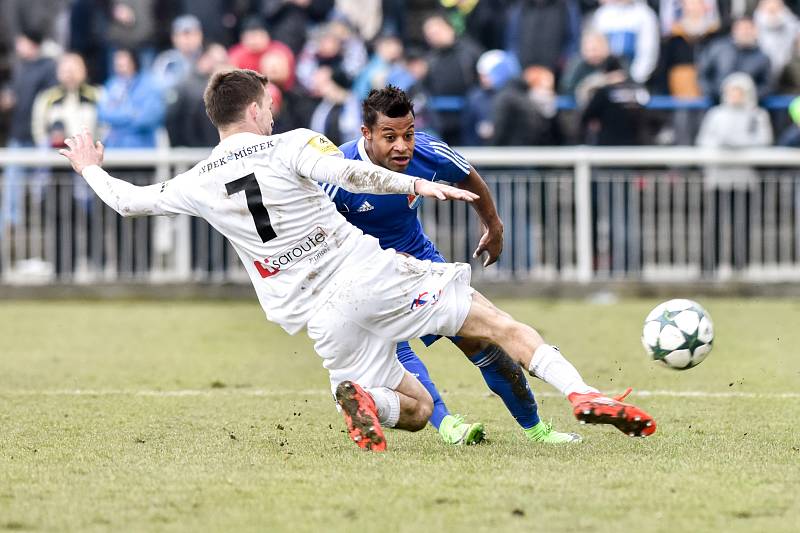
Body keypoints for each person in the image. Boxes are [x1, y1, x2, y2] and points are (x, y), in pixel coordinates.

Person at [59, 69, 657, 452]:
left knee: (416, 412)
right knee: (499, 326)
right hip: (366, 273)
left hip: (317, 318)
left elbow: (128, 202)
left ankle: (366, 400)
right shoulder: (290, 143)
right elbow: (347, 170)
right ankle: (581, 393)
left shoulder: (195, 180)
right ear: (259, 109)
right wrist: (418, 187)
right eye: (268, 104)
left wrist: (88, 164)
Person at [329, 86, 577, 444]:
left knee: (482, 343)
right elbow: (314, 229)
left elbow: (467, 174)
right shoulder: (338, 172)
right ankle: (448, 426)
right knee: (394, 352)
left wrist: (493, 225)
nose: (402, 146)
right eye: (390, 137)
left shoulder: (427, 151)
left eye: (408, 134)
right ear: (365, 134)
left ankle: (537, 429)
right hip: (364, 278)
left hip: (422, 264)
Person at [97, 48, 165, 148]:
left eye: (123, 64)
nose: (120, 68)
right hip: (113, 151)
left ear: (134, 63)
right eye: (117, 64)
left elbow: (148, 118)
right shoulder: (111, 84)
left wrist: (116, 121)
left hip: (142, 151)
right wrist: (131, 113)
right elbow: (103, 114)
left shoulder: (149, 84)